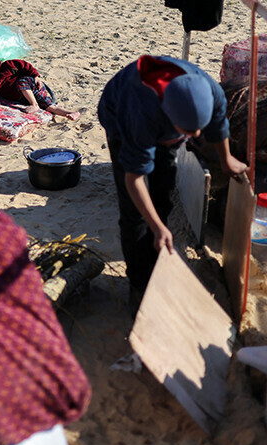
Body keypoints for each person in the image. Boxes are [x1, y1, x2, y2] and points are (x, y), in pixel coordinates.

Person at [97, 55, 248, 315]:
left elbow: (218, 125)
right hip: (119, 113)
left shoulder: (210, 91)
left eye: (195, 131)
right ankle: (139, 285)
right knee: (135, 215)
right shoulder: (141, 113)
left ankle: (158, 262)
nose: (195, 138)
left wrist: (226, 160)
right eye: (186, 132)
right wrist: (156, 227)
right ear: (166, 116)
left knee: (163, 189)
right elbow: (133, 180)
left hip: (165, 125)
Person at [0, 58, 81, 120]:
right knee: (49, 106)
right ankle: (70, 113)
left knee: (21, 82)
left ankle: (34, 104)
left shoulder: (6, 66)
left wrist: (36, 76)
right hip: (25, 97)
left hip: (32, 85)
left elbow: (24, 65)